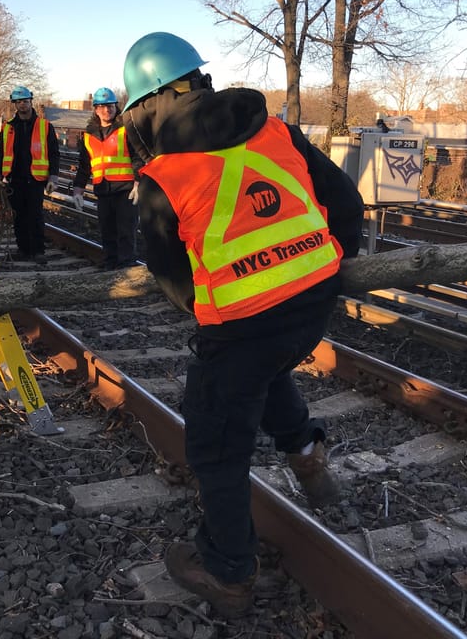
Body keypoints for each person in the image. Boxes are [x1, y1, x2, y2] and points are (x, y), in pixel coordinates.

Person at [120, 32, 364, 617]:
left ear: (148, 103)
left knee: (215, 448)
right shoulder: (275, 129)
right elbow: (347, 204)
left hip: (244, 325)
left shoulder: (163, 175)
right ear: (198, 81)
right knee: (267, 369)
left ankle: (228, 570)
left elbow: (170, 273)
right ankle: (308, 456)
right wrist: (320, 272)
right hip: (312, 304)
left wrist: (217, 307)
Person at [72, 87, 142, 269]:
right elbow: (85, 166)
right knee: (107, 230)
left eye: (110, 106)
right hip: (103, 190)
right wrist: (78, 189)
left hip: (126, 190)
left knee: (126, 230)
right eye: (102, 106)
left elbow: (137, 157)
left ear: (116, 107)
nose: (106, 110)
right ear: (95, 109)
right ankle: (110, 263)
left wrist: (138, 182)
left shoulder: (125, 130)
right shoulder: (88, 136)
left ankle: (127, 265)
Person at [0, 86, 60, 261]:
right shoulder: (8, 128)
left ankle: (38, 251)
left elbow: (54, 154)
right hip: (14, 179)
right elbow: (1, 153)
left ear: (31, 101)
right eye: (19, 102)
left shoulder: (45, 127)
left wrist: (53, 177)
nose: (22, 105)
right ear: (15, 104)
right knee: (19, 216)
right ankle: (23, 249)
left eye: (25, 101)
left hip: (36, 180)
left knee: (35, 215)